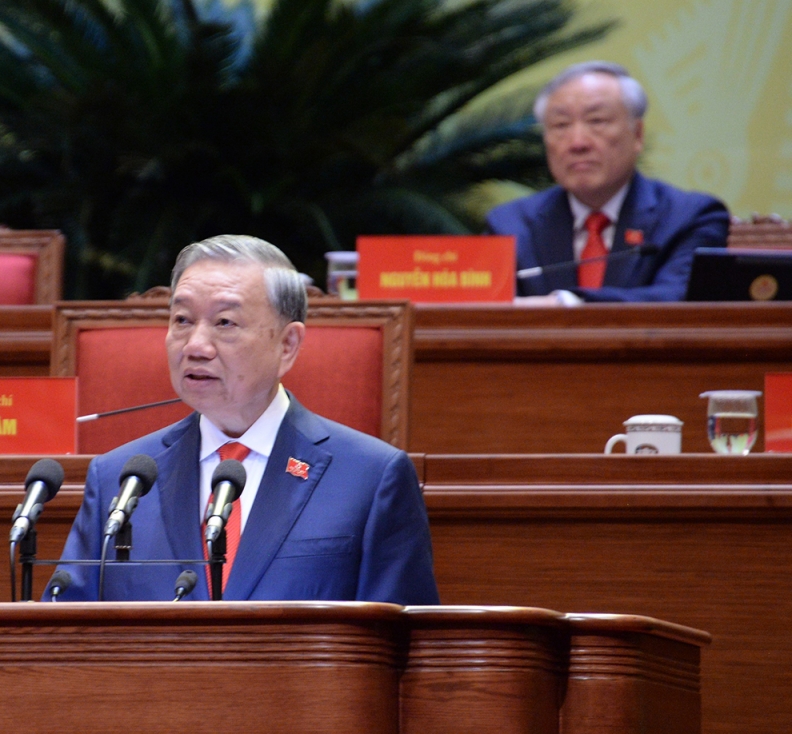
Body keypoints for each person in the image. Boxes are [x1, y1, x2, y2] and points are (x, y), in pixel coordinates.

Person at [57, 235, 439, 603]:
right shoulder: (117, 480)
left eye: (225, 322)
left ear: (287, 345)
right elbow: (68, 630)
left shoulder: (371, 478)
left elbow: (401, 636)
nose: (195, 346)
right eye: (182, 320)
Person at [486, 61, 729, 303]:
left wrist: (568, 303)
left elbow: (677, 297)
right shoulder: (509, 226)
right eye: (561, 125)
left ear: (637, 135)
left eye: (597, 121)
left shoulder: (689, 218)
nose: (577, 143)